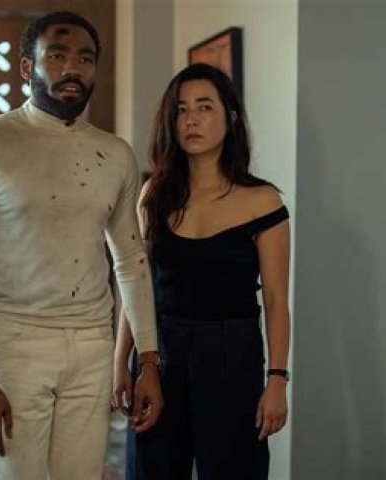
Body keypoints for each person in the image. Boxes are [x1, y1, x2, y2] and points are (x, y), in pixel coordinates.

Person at [0, 11, 163, 480]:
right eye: (57, 56)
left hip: (92, 344)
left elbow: (131, 260)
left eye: (85, 58)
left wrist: (147, 358)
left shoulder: (115, 154)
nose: (72, 69)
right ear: (28, 67)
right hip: (15, 341)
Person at [112, 63, 291, 480]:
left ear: (231, 118)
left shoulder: (263, 201)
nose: (191, 119)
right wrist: (121, 360)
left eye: (205, 106)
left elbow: (277, 299)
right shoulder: (154, 195)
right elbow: (137, 285)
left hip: (232, 354)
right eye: (181, 109)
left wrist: (277, 380)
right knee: (152, 470)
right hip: (159, 354)